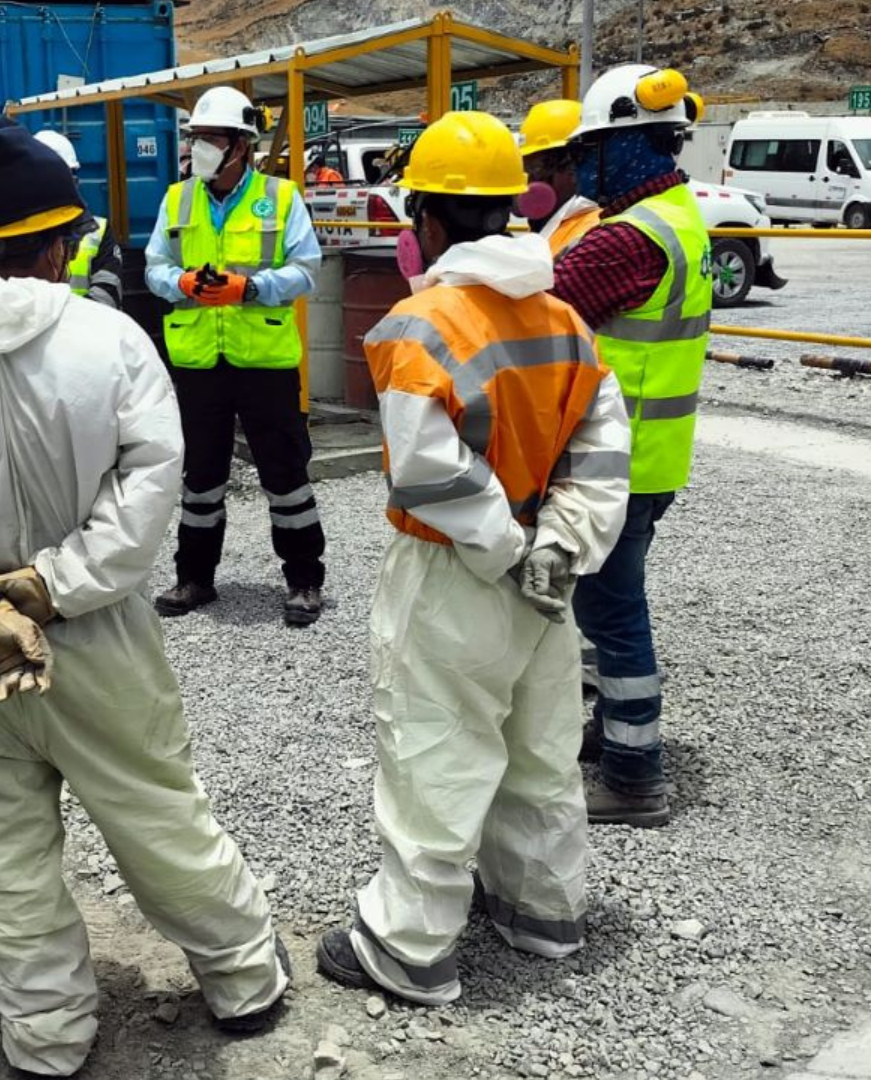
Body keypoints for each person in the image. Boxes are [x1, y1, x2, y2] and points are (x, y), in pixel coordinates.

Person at [0, 116, 289, 1077]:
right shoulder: (111, 343)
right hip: (96, 639)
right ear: (56, 244)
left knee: (4, 856)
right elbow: (152, 482)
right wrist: (56, 584)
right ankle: (245, 979)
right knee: (157, 816)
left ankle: (45, 1035)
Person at [314, 111, 630, 1007]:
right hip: (547, 575)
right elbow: (603, 452)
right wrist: (559, 546)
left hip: (458, 573)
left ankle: (409, 945)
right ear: (511, 208)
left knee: (435, 750)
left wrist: (505, 550)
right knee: (539, 747)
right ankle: (544, 911)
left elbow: (427, 472)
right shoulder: (564, 320)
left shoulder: (421, 325)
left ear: (429, 218)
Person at [551, 65, 712, 828]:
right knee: (609, 604)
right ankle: (612, 729)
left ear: (630, 146)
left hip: (620, 459)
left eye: (589, 152)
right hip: (651, 454)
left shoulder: (630, 238)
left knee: (612, 614)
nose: (581, 168)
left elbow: (542, 304)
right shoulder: (678, 215)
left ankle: (633, 774)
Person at [144, 85, 327, 628]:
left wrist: (250, 287)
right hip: (200, 362)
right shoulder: (177, 199)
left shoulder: (281, 197)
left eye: (211, 138)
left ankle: (304, 581)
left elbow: (306, 269)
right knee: (200, 476)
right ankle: (195, 578)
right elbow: (154, 266)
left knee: (285, 474)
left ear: (241, 145)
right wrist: (180, 282)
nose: (198, 147)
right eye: (195, 137)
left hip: (264, 361)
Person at [32, 129, 124, 308]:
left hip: (85, 325)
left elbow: (109, 293)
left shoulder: (97, 231)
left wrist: (65, 319)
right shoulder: (15, 232)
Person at [519, 99, 603, 257]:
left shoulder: (588, 232)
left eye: (537, 167)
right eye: (526, 166)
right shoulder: (555, 225)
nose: (531, 180)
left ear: (573, 168)